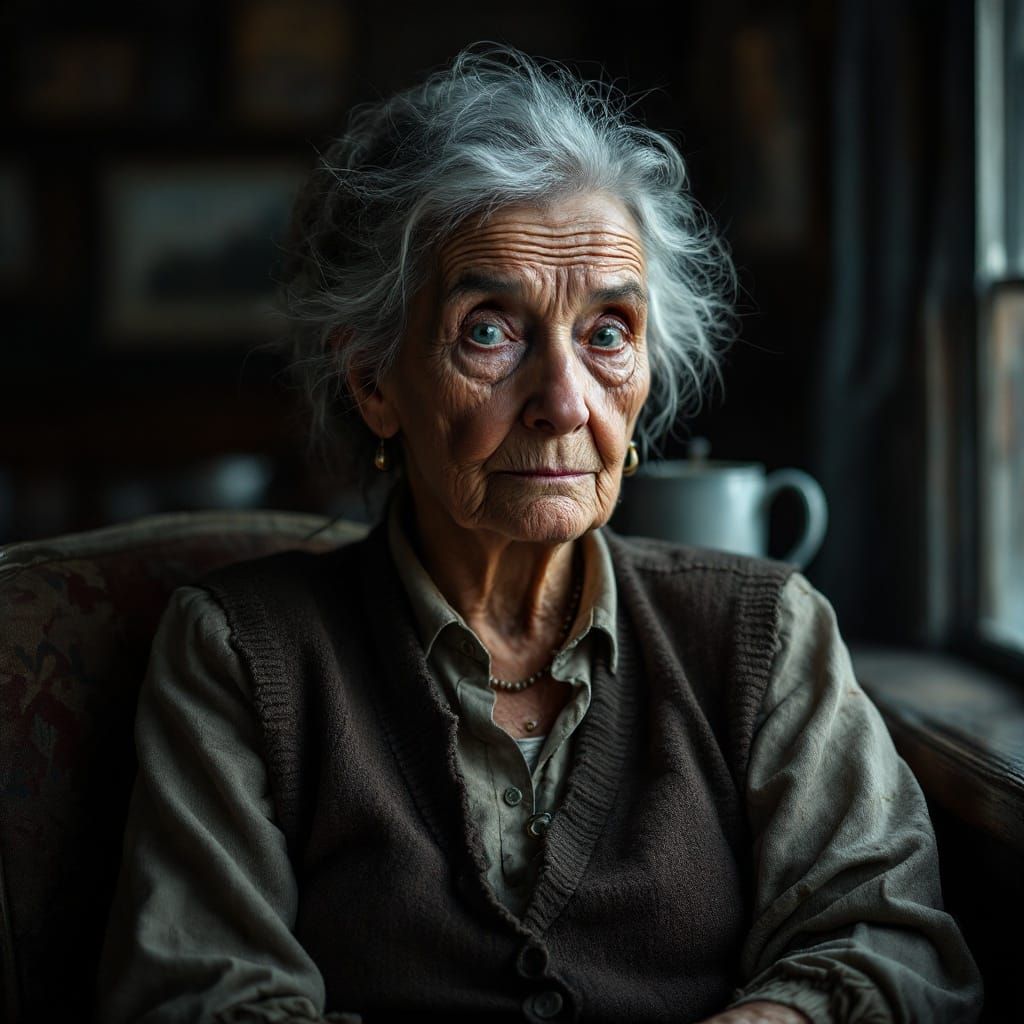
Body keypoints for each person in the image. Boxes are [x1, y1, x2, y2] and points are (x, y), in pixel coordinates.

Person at [97, 45, 982, 1024]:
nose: (564, 403)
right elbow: (203, 1000)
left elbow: (887, 945)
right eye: (490, 329)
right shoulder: (238, 652)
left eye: (607, 333)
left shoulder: (763, 637)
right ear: (374, 381)